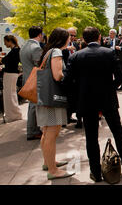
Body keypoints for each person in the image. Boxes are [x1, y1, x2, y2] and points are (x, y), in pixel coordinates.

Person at [64, 27, 122, 182]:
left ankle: (95, 172)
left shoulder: (76, 56)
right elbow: (120, 77)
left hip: (87, 101)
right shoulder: (108, 53)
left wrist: (80, 94)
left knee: (91, 137)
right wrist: (109, 89)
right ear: (99, 37)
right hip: (107, 99)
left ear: (83, 39)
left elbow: (67, 82)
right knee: (117, 131)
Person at [37, 28, 74, 180]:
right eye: (69, 37)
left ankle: (49, 162)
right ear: (63, 39)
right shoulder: (57, 52)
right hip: (53, 99)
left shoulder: (48, 51)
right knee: (52, 133)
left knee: (46, 133)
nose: (71, 39)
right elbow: (58, 75)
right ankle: (53, 170)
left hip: (45, 98)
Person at [20, 26, 44, 141]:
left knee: (32, 105)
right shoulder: (35, 48)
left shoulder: (24, 46)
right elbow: (39, 65)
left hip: (27, 79)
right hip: (34, 80)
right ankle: (33, 131)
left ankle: (33, 130)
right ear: (39, 35)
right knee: (34, 106)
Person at [62, 27, 81, 128]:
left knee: (74, 98)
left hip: (76, 76)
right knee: (66, 98)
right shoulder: (61, 46)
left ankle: (71, 117)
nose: (73, 37)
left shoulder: (76, 45)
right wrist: (66, 49)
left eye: (74, 35)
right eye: (71, 35)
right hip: (66, 74)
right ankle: (64, 119)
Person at [1, 35, 22, 123]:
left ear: (10, 41)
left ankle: (12, 115)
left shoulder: (15, 51)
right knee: (12, 94)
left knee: (8, 95)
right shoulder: (16, 50)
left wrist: (3, 60)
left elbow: (5, 60)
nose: (5, 43)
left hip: (10, 74)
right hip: (13, 74)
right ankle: (14, 114)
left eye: (5, 41)